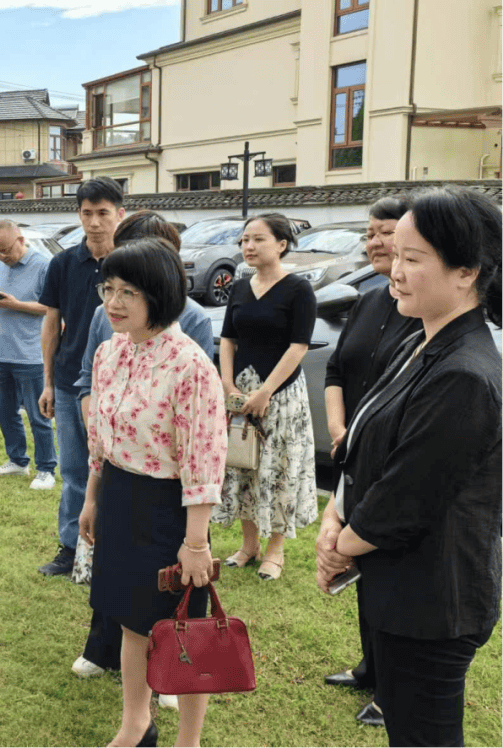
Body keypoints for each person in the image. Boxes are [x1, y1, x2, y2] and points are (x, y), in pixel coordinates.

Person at [317, 185, 502, 748]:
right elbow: (366, 443)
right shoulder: (421, 340)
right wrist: (334, 513)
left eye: (412, 259)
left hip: (434, 603)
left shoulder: (464, 374)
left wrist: (339, 547)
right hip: (399, 588)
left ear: (466, 271)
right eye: (393, 254)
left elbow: (407, 497)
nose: (394, 271)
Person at [78, 239, 227, 748]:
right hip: (119, 498)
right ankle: (135, 726)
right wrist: (93, 496)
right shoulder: (109, 351)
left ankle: (189, 741)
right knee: (129, 621)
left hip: (171, 512)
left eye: (128, 292)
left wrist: (196, 543)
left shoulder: (190, 365)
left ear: (159, 294)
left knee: (185, 634)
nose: (113, 302)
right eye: (109, 289)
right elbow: (100, 436)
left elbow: (203, 461)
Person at [316, 195, 420, 728]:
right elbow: (336, 370)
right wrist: (339, 429)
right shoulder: (371, 297)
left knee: (385, 571)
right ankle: (369, 667)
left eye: (387, 233)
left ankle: (391, 688)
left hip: (392, 457)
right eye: (371, 233)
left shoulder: (420, 311)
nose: (376, 243)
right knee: (365, 576)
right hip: (353, 450)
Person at [212, 213, 317, 581]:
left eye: (257, 239)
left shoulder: (298, 289)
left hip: (281, 394)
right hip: (240, 391)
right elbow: (228, 338)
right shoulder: (240, 286)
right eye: (244, 240)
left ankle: (275, 551)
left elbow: (299, 345)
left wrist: (266, 391)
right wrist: (228, 384)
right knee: (242, 465)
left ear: (282, 244)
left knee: (278, 469)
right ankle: (247, 545)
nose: (249, 247)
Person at [37, 177, 125, 576]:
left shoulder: (131, 264)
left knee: (122, 474)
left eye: (103, 213)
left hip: (123, 387)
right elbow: (52, 324)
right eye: (87, 213)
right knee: (73, 470)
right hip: (74, 382)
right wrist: (49, 381)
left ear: (119, 215)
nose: (94, 222)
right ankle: (70, 548)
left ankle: (113, 551)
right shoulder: (62, 264)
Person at [0, 220, 56, 490]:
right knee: (5, 411)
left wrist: (15, 304)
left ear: (21, 240)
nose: (1, 257)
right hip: (1, 351)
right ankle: (17, 461)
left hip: (31, 354)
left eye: (5, 250)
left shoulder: (44, 265)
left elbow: (52, 308)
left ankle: (46, 468)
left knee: (39, 415)